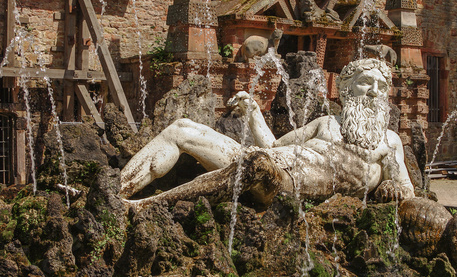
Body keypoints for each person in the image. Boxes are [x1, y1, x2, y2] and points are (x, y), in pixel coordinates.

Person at [120, 58, 415, 209]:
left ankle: (142, 208)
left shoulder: (389, 142)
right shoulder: (325, 123)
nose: (375, 93)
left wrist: (394, 190)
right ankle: (119, 190)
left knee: (254, 166)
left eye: (382, 87)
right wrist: (253, 113)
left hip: (278, 181)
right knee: (181, 128)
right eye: (366, 83)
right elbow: (274, 144)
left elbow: (406, 190)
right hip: (266, 159)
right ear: (347, 89)